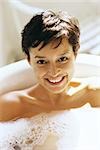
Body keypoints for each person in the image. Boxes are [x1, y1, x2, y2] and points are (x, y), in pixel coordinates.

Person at [0, 10, 100, 149]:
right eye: (42, 62)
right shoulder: (12, 105)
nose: (53, 72)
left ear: (75, 54)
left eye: (62, 59)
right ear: (29, 60)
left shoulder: (94, 94)